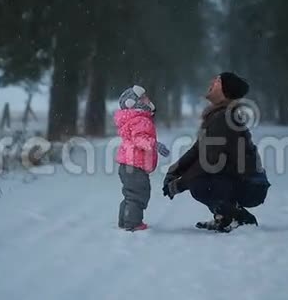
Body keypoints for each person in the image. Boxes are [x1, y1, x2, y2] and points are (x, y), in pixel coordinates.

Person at [162, 72, 270, 233]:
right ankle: (225, 217)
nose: (212, 81)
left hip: (251, 185)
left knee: (199, 184)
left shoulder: (225, 118)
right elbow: (198, 149)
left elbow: (209, 161)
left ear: (226, 90)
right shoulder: (218, 116)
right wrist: (173, 171)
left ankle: (235, 216)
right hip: (245, 182)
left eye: (218, 81)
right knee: (200, 180)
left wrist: (179, 184)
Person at [114, 85, 170, 232]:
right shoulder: (140, 120)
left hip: (127, 165)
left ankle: (124, 220)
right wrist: (154, 144)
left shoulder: (133, 119)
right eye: (144, 97)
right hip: (135, 165)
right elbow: (139, 138)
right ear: (134, 103)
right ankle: (133, 223)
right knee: (138, 194)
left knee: (130, 194)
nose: (148, 99)